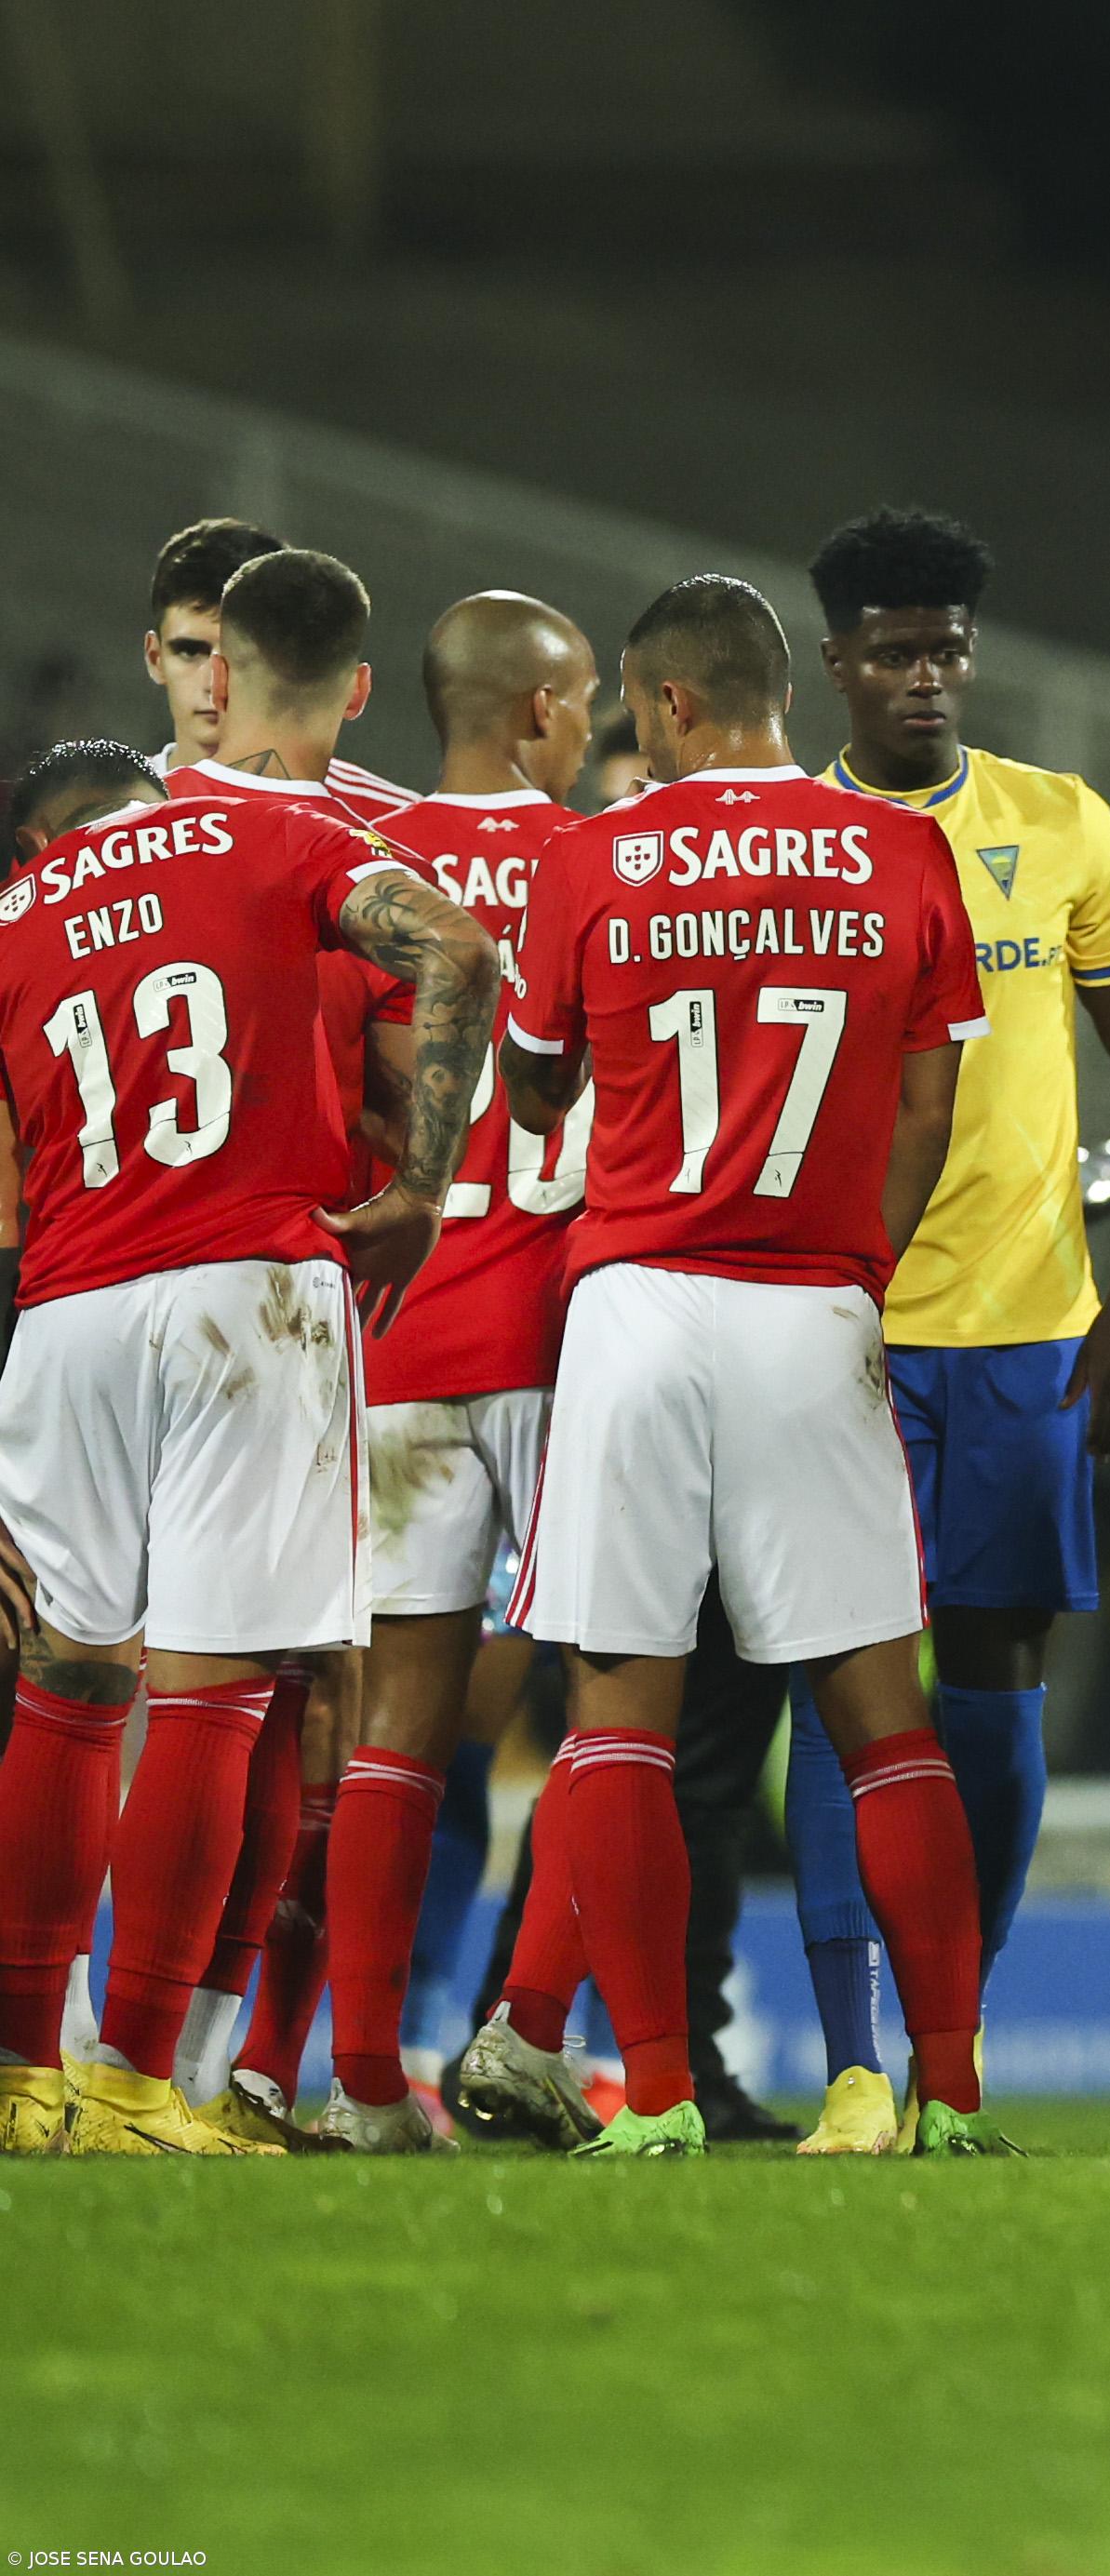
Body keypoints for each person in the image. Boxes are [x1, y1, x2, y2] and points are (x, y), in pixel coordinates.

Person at [497, 572, 1007, 2158]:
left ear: (661, 704)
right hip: (815, 1302)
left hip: (640, 1299)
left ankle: (650, 2092)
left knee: (617, 1717)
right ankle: (947, 2087)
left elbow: (530, 1088)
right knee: (881, 1718)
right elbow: (929, 1110)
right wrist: (865, 1260)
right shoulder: (901, 848)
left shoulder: (592, 854)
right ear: (782, 692)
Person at [0, 740, 490, 2156]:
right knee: (218, 1694)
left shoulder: (17, 919)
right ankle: (140, 2089)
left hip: (66, 1314)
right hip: (249, 1295)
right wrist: (419, 1190)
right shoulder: (257, 842)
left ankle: (24, 2075)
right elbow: (457, 949)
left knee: (67, 1684)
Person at [768, 507, 1110, 2156]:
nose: (926, 678)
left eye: (947, 649)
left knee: (999, 1676)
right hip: (835, 1321)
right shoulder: (785, 841)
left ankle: (959, 2033)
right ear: (835, 661)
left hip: (1023, 1324)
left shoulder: (1059, 821)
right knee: (840, 1680)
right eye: (893, 650)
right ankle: (856, 2059)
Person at [311, 591, 603, 2152]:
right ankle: (526, 2026)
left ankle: (364, 2083)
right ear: (547, 712)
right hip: (560, 1330)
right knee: (615, 1696)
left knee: (395, 1722)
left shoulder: (363, 872)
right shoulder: (596, 859)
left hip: (404, 1323)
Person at [149, 546, 417, 2138]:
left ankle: (217, 2062)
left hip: (303, 1302)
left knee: (303, 1682)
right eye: (180, 647)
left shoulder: (355, 832)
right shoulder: (94, 825)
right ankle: (77, 2046)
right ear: (163, 654)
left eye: (217, 650)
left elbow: (402, 1041)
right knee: (100, 1677)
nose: (201, 677)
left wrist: (401, 1168)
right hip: (122, 1301)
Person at [139, 516, 408, 811]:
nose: (212, 682)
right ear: (155, 658)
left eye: (240, 655)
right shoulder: (102, 812)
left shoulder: (392, 819)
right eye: (190, 651)